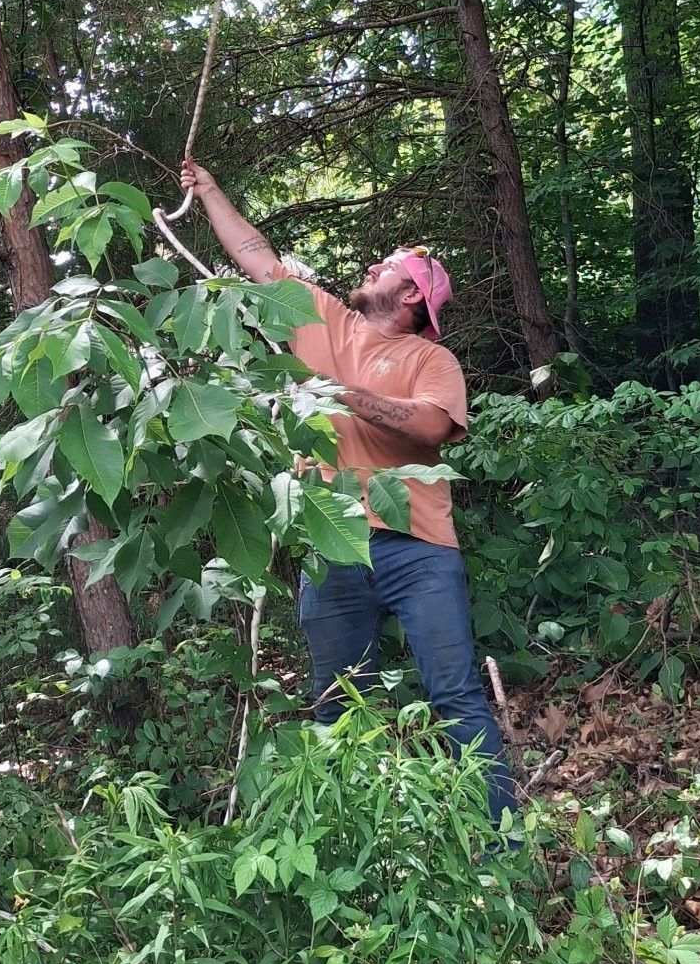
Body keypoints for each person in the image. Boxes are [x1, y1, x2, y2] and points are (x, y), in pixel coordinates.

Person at [180, 161, 517, 827]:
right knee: (338, 705)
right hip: (330, 548)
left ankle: (499, 851)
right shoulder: (325, 322)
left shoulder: (431, 361)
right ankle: (353, 854)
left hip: (417, 550)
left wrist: (344, 395)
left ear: (413, 295)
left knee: (454, 696)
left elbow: (429, 424)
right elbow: (258, 260)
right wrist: (210, 189)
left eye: (388, 267)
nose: (372, 269)